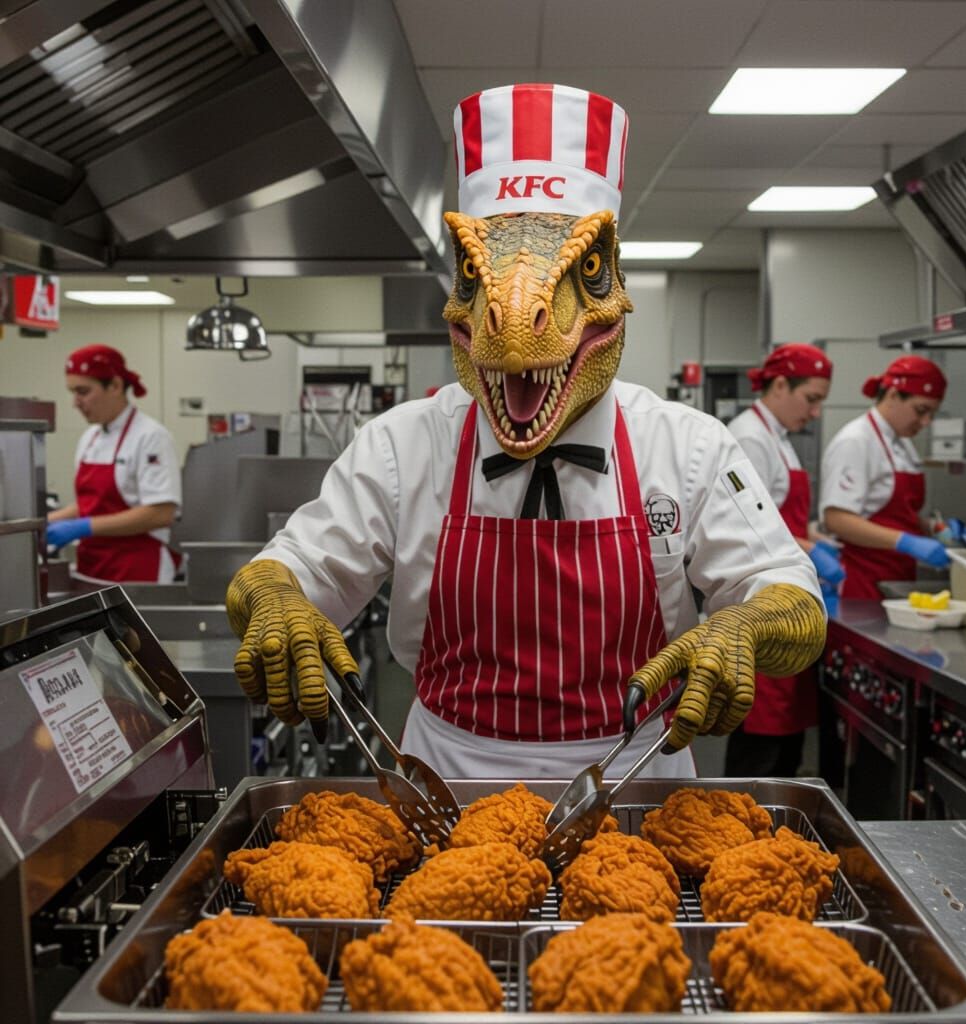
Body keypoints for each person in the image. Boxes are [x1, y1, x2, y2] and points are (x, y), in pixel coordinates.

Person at [226, 83, 826, 782]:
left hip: (634, 778)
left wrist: (744, 626)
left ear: (616, 289)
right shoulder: (400, 445)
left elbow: (792, 597)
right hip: (445, 778)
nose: (515, 326)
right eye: (479, 281)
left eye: (587, 270)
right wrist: (273, 601)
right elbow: (286, 571)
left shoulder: (689, 446)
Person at [724, 343, 839, 776]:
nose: (815, 413)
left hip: (785, 605)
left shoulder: (777, 438)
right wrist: (811, 552)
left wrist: (819, 540)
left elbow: (780, 517)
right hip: (762, 606)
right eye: (811, 399)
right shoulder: (750, 438)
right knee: (761, 749)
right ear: (778, 385)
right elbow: (746, 528)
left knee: (784, 745)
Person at [47, 344, 181, 583]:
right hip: (93, 565)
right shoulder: (91, 438)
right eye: (73, 392)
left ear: (116, 386)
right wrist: (47, 522)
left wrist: (82, 527)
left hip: (137, 566)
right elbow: (91, 505)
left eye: (83, 391)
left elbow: (161, 513)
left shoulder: (150, 436)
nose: (75, 402)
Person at [820, 355, 949, 600]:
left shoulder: (903, 443)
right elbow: (837, 519)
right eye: (921, 410)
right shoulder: (856, 441)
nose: (925, 422)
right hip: (862, 580)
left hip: (896, 577)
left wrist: (933, 528)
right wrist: (907, 542)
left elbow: (894, 513)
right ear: (892, 395)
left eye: (932, 414)